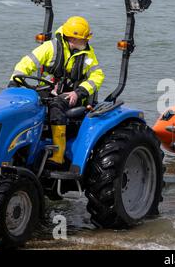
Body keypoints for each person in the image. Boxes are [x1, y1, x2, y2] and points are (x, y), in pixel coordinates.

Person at [9, 16, 105, 170]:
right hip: (47, 91)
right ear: (72, 38)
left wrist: (78, 92)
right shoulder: (50, 47)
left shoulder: (87, 54)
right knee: (26, 102)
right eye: (84, 38)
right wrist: (13, 84)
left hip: (71, 96)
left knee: (56, 105)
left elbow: (97, 76)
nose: (87, 41)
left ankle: (58, 155)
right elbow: (26, 63)